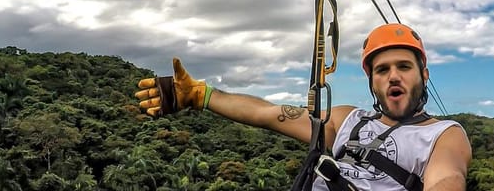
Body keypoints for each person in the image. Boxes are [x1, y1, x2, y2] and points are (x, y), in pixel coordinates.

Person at [135, 23, 472, 190]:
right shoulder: (345, 121)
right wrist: (200, 96)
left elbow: (447, 178)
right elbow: (268, 114)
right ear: (372, 82)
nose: (393, 77)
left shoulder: (443, 135)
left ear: (423, 75)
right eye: (382, 70)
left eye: (404, 67)